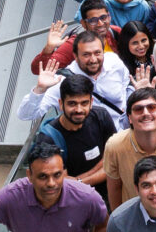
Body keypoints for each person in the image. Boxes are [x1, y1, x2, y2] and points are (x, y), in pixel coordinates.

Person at [17, 31, 129, 129]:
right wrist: (40, 89)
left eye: (97, 53)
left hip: (122, 135)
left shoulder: (114, 61)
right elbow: (26, 115)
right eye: (86, 55)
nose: (93, 59)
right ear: (75, 56)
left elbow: (125, 83)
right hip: (90, 143)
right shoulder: (63, 81)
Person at [37, 73, 116, 204]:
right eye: (72, 104)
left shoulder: (101, 117)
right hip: (73, 201)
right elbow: (61, 182)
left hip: (108, 194)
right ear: (61, 104)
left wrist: (80, 181)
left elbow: (114, 160)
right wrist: (103, 167)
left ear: (91, 102)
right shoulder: (48, 138)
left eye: (84, 103)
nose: (79, 110)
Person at [29, 0, 120, 74]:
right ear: (83, 24)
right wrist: (49, 47)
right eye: (93, 20)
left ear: (109, 17)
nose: (100, 24)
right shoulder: (75, 43)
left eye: (103, 18)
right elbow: (38, 69)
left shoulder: (115, 32)